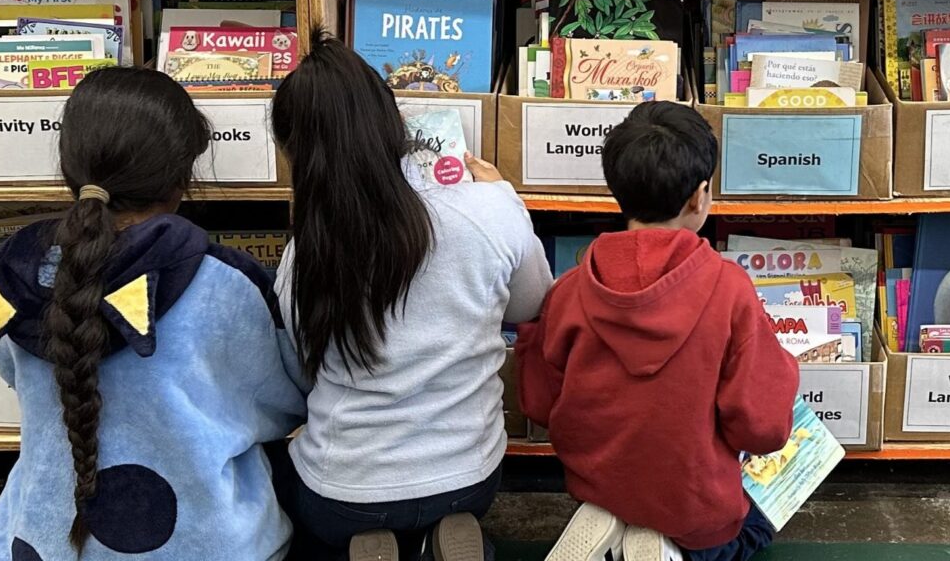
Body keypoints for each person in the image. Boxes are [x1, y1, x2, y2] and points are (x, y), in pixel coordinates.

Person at [0, 67, 307, 561]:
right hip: (209, 543)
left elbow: (10, 372)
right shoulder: (224, 282)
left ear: (70, 166)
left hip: (46, 540)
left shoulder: (16, 276)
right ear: (180, 178)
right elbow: (284, 400)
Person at [273, 35, 552, 561]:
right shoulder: (486, 210)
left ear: (295, 155)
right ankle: (436, 539)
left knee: (292, 489)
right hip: (469, 475)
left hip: (344, 489)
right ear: (394, 122)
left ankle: (369, 543)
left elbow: (305, 367)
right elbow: (530, 305)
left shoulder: (300, 257)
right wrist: (504, 195)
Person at [519, 102, 799, 561]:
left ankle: (620, 521)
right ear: (700, 196)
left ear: (615, 188)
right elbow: (762, 429)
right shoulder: (730, 290)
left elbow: (540, 404)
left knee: (629, 482)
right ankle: (670, 548)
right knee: (758, 523)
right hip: (696, 505)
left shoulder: (568, 291)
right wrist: (782, 368)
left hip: (599, 481)